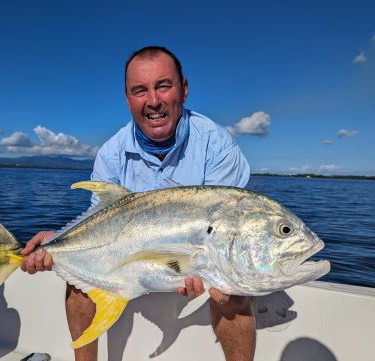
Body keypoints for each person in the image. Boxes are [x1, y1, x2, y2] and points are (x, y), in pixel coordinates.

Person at [21, 46, 255, 361]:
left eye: (163, 86)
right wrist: (57, 243)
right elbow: (99, 223)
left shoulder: (217, 146)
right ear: (128, 98)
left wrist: (204, 269)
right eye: (140, 90)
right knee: (79, 282)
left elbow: (229, 227)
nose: (154, 101)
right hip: (132, 263)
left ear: (183, 90)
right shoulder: (111, 154)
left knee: (233, 290)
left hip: (194, 263)